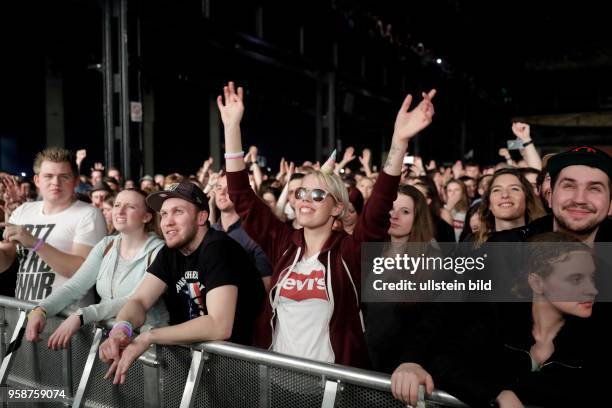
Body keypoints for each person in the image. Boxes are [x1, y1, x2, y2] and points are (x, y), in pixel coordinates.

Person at [218, 81, 435, 367]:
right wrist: (232, 128)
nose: (306, 199)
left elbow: (379, 205)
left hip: (332, 388)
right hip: (277, 382)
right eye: (301, 193)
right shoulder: (282, 243)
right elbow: (242, 197)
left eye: (318, 194)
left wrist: (398, 142)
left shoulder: (350, 253)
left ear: (338, 207)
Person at [98, 181, 265, 384]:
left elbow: (219, 325)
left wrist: (148, 336)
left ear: (202, 217)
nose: (167, 221)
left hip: (239, 371)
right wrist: (120, 330)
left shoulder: (219, 249)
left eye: (178, 212)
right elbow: (140, 300)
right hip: (198, 366)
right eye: (164, 214)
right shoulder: (170, 253)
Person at [24, 189, 168, 347]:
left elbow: (134, 301)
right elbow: (76, 286)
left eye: (130, 207)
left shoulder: (160, 251)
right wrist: (42, 310)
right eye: (117, 205)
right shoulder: (107, 245)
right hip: (109, 340)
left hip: (149, 346)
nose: (120, 211)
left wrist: (83, 315)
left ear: (146, 217)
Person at [0, 147, 107, 303]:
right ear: (37, 180)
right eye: (48, 176)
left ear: (76, 180)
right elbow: (5, 261)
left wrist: (35, 243)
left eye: (64, 177)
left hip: (67, 319)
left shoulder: (89, 214)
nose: (55, 183)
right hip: (24, 314)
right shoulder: (23, 211)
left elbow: (82, 272)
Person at [211, 173, 273, 292]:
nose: (222, 192)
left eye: (229, 189)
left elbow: (267, 282)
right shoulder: (211, 231)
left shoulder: (255, 233)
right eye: (219, 187)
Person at [475, 168, 545, 244]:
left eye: (514, 189)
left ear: (527, 200)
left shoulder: (545, 242)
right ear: (489, 204)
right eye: (497, 190)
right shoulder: (471, 245)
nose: (505, 195)